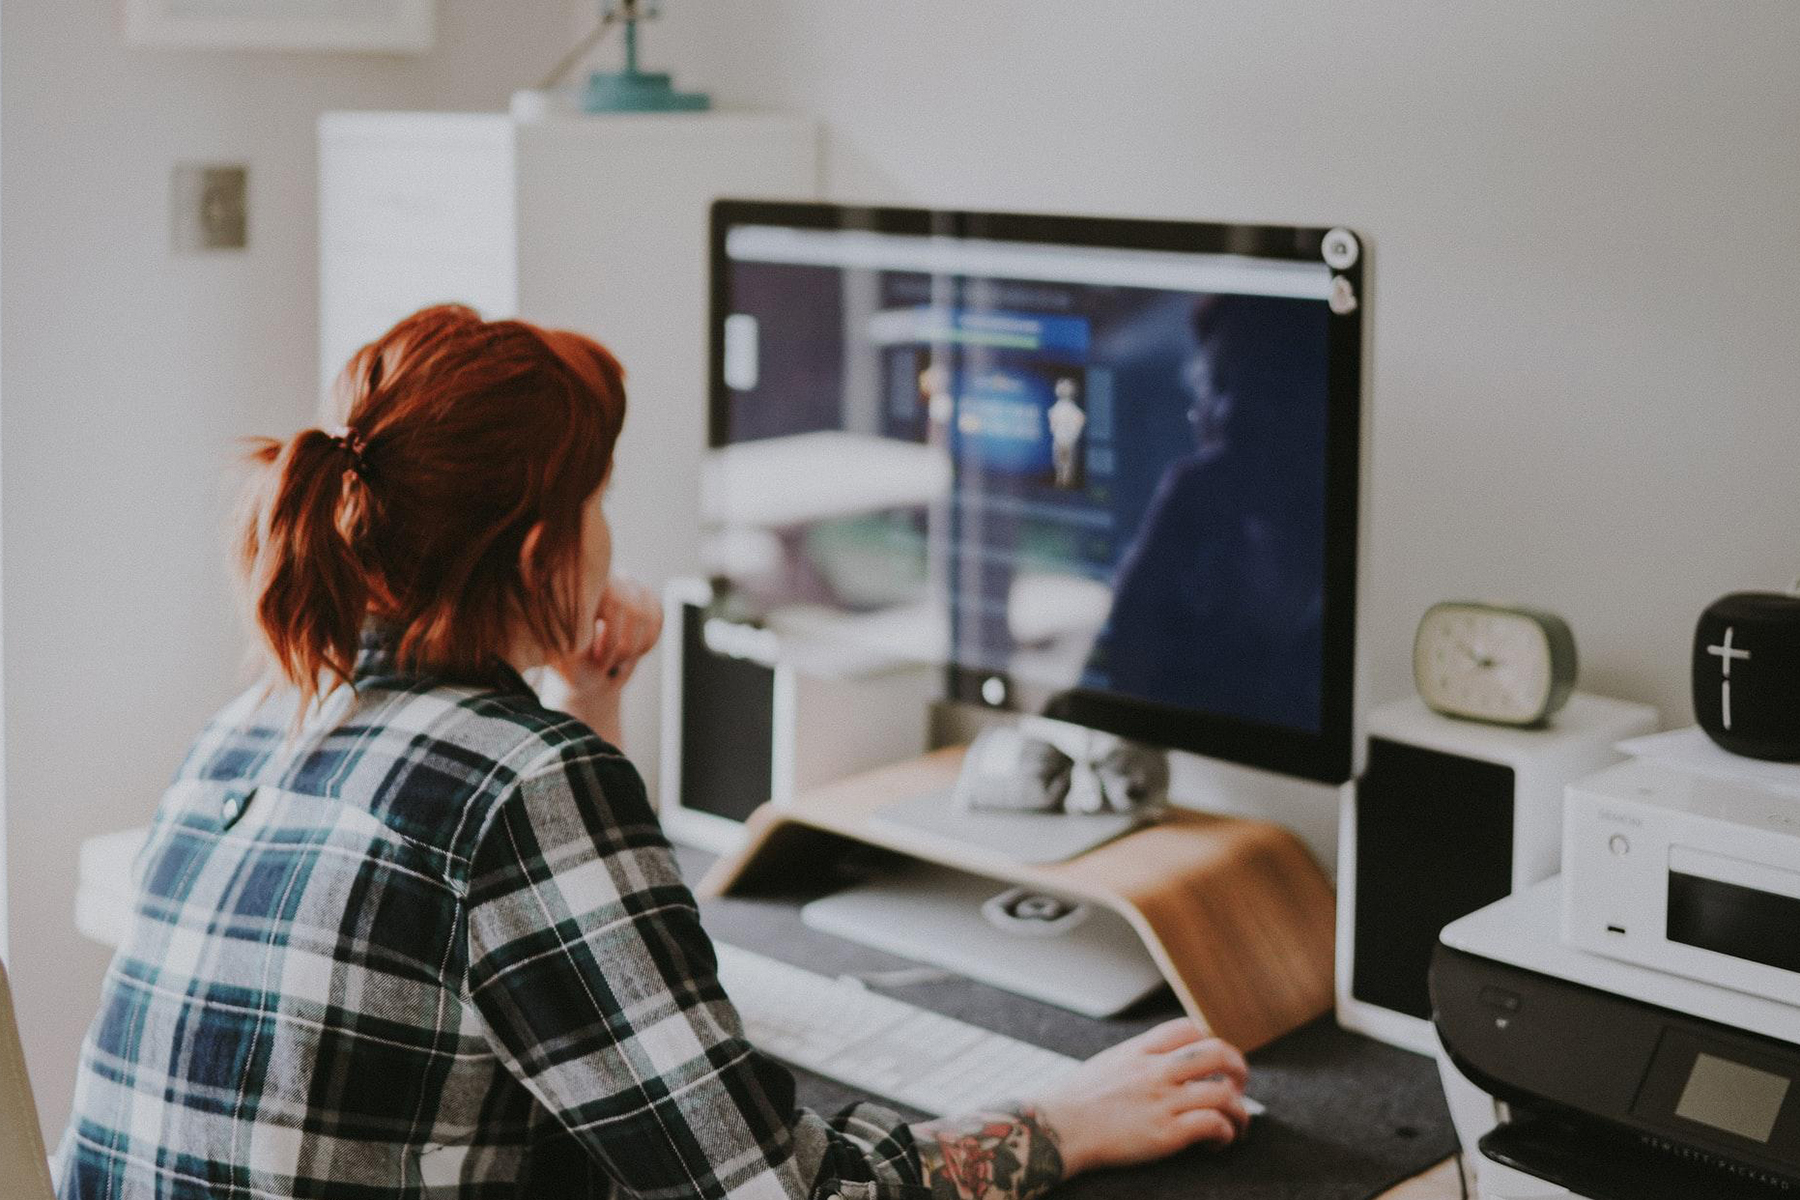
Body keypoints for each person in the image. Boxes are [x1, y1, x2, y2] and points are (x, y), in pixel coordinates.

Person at [54, 305, 1250, 1200]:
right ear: (540, 555)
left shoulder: (258, 717)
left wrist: (582, 702)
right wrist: (1066, 1119)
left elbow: (570, 993)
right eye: (599, 497)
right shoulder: (519, 783)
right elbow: (780, 1194)